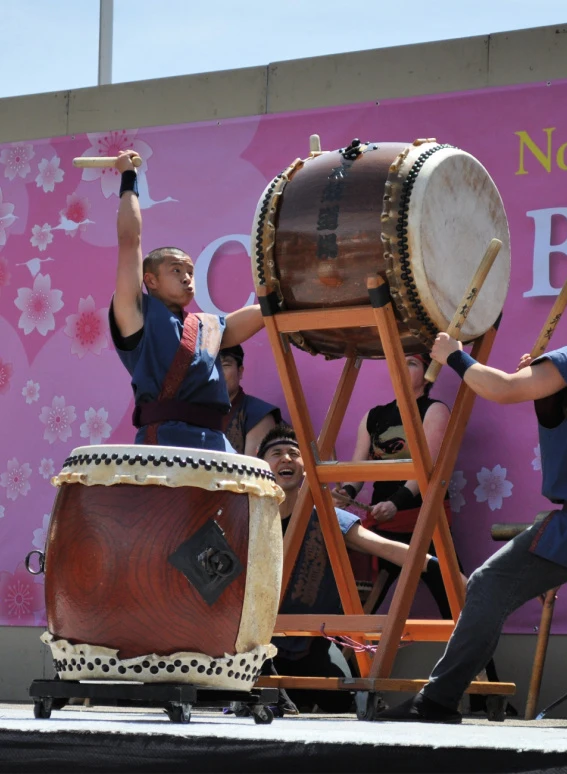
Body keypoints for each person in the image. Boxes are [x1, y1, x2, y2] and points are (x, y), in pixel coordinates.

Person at [379, 269, 567, 724]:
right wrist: (548, 378)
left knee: (488, 584)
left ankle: (437, 700)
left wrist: (454, 356)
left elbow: (504, 389)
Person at [260, 423, 457, 713]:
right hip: (257, 647)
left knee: (345, 703)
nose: (286, 459)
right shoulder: (248, 519)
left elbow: (380, 546)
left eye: (294, 453)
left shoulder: (326, 518)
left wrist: (437, 567)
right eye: (276, 453)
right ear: (260, 464)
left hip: (311, 644)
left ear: (305, 468)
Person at [109, 150, 265, 451]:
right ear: (150, 280)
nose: (187, 278)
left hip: (216, 444)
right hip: (165, 444)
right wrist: (128, 178)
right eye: (176, 270)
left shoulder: (205, 327)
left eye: (191, 271)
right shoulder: (135, 314)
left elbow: (264, 313)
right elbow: (130, 241)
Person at [331, 353, 456, 615]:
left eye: (411, 362)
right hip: (384, 522)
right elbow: (359, 468)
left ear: (427, 373)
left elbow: (428, 471)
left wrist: (395, 503)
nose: (401, 366)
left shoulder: (435, 410)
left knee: (454, 601)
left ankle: (476, 656)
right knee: (367, 606)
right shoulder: (374, 417)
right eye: (399, 361)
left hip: (424, 521)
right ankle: (354, 656)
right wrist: (347, 492)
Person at [219, 345, 282, 455]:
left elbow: (254, 470)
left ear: (240, 371)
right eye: (209, 366)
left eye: (225, 365)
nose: (217, 373)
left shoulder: (257, 415)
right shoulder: (191, 411)